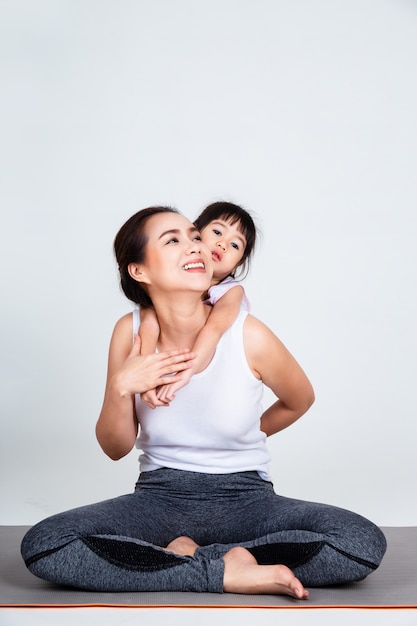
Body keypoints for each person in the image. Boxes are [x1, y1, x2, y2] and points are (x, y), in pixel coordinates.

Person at [21, 205, 387, 598]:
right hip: (159, 499)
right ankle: (230, 570)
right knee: (47, 543)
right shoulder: (129, 333)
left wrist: (248, 431)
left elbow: (300, 399)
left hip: (247, 500)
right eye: (174, 240)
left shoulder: (248, 334)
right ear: (138, 270)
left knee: (359, 541)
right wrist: (120, 387)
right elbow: (115, 448)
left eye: (194, 237)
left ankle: (188, 558)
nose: (195, 246)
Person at [139, 201, 255, 408]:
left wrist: (188, 371)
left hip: (220, 375)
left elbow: (215, 327)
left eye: (235, 245)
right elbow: (148, 323)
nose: (223, 244)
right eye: (217, 232)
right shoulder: (172, 284)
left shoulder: (230, 291)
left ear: (238, 264)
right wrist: (147, 380)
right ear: (195, 235)